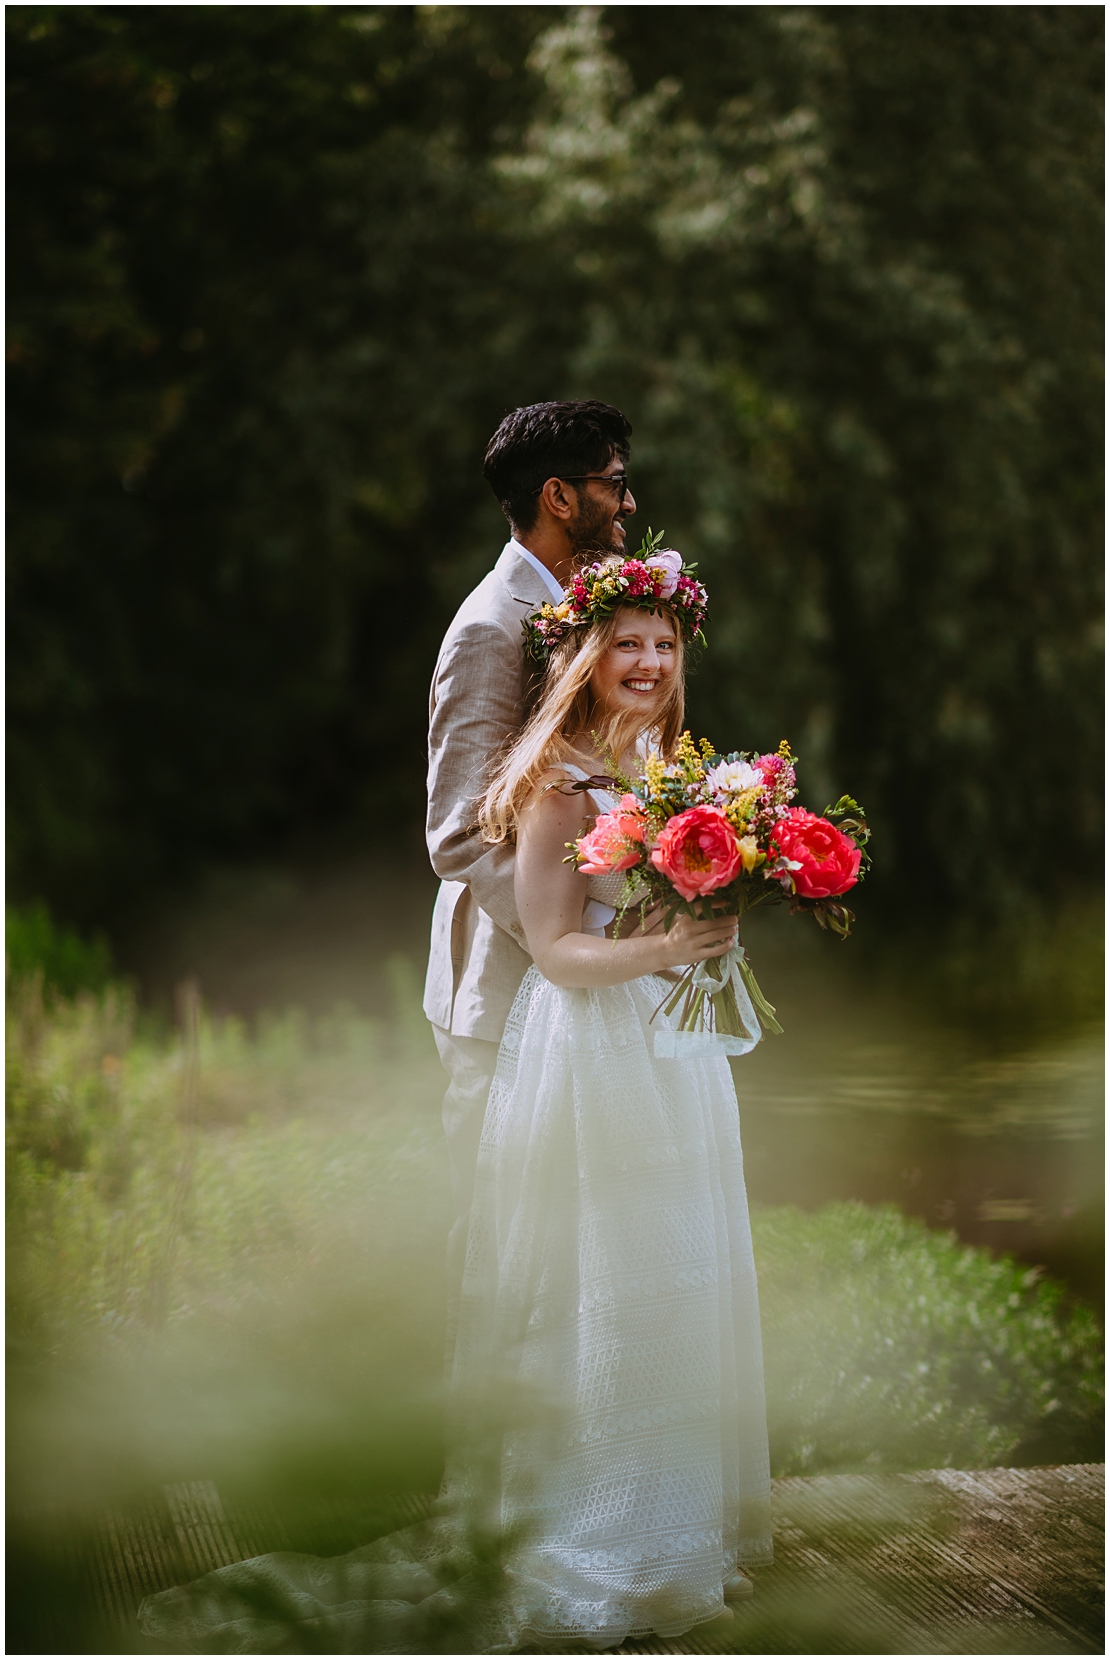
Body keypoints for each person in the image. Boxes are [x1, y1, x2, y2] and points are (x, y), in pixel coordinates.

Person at [440, 555, 773, 1649]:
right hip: (586, 1053)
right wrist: (668, 946)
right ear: (587, 658)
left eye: (662, 647)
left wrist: (711, 929)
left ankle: (680, 1525)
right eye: (626, 643)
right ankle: (594, 1538)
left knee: (680, 1273)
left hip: (675, 1058)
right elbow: (555, 949)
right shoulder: (556, 784)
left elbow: (661, 927)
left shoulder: (688, 780)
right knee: (603, 1279)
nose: (646, 662)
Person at [424, 399, 640, 1357]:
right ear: (559, 496)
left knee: (578, 1236)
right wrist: (575, 933)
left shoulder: (581, 612)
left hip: (576, 972)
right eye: (613, 484)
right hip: (503, 979)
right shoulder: (488, 628)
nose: (628, 505)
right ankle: (472, 1485)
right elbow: (457, 834)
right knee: (494, 1233)